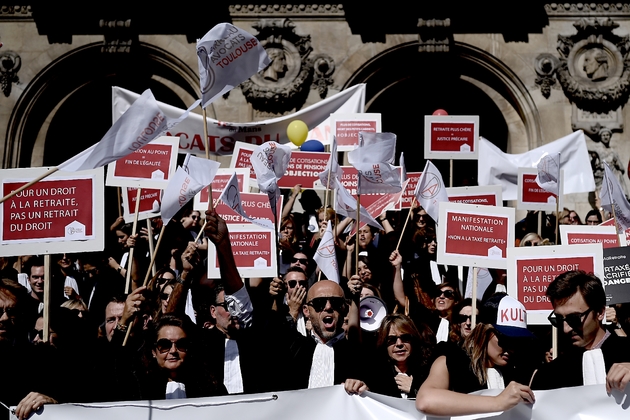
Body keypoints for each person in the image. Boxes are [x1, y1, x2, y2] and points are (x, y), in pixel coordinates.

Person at [416, 294, 536, 417]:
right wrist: (498, 402)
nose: (511, 348)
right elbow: (425, 400)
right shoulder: (454, 358)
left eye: (518, 341)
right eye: (505, 339)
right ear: (484, 331)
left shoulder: (518, 369)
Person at [530, 271, 630, 392]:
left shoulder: (627, 351)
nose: (566, 329)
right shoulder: (549, 374)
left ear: (600, 312)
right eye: (559, 319)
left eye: (574, 318)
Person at [365, 314, 435, 398]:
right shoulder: (374, 374)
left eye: (405, 337)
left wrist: (414, 389)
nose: (399, 344)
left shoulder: (429, 371)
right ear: (384, 343)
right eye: (391, 340)